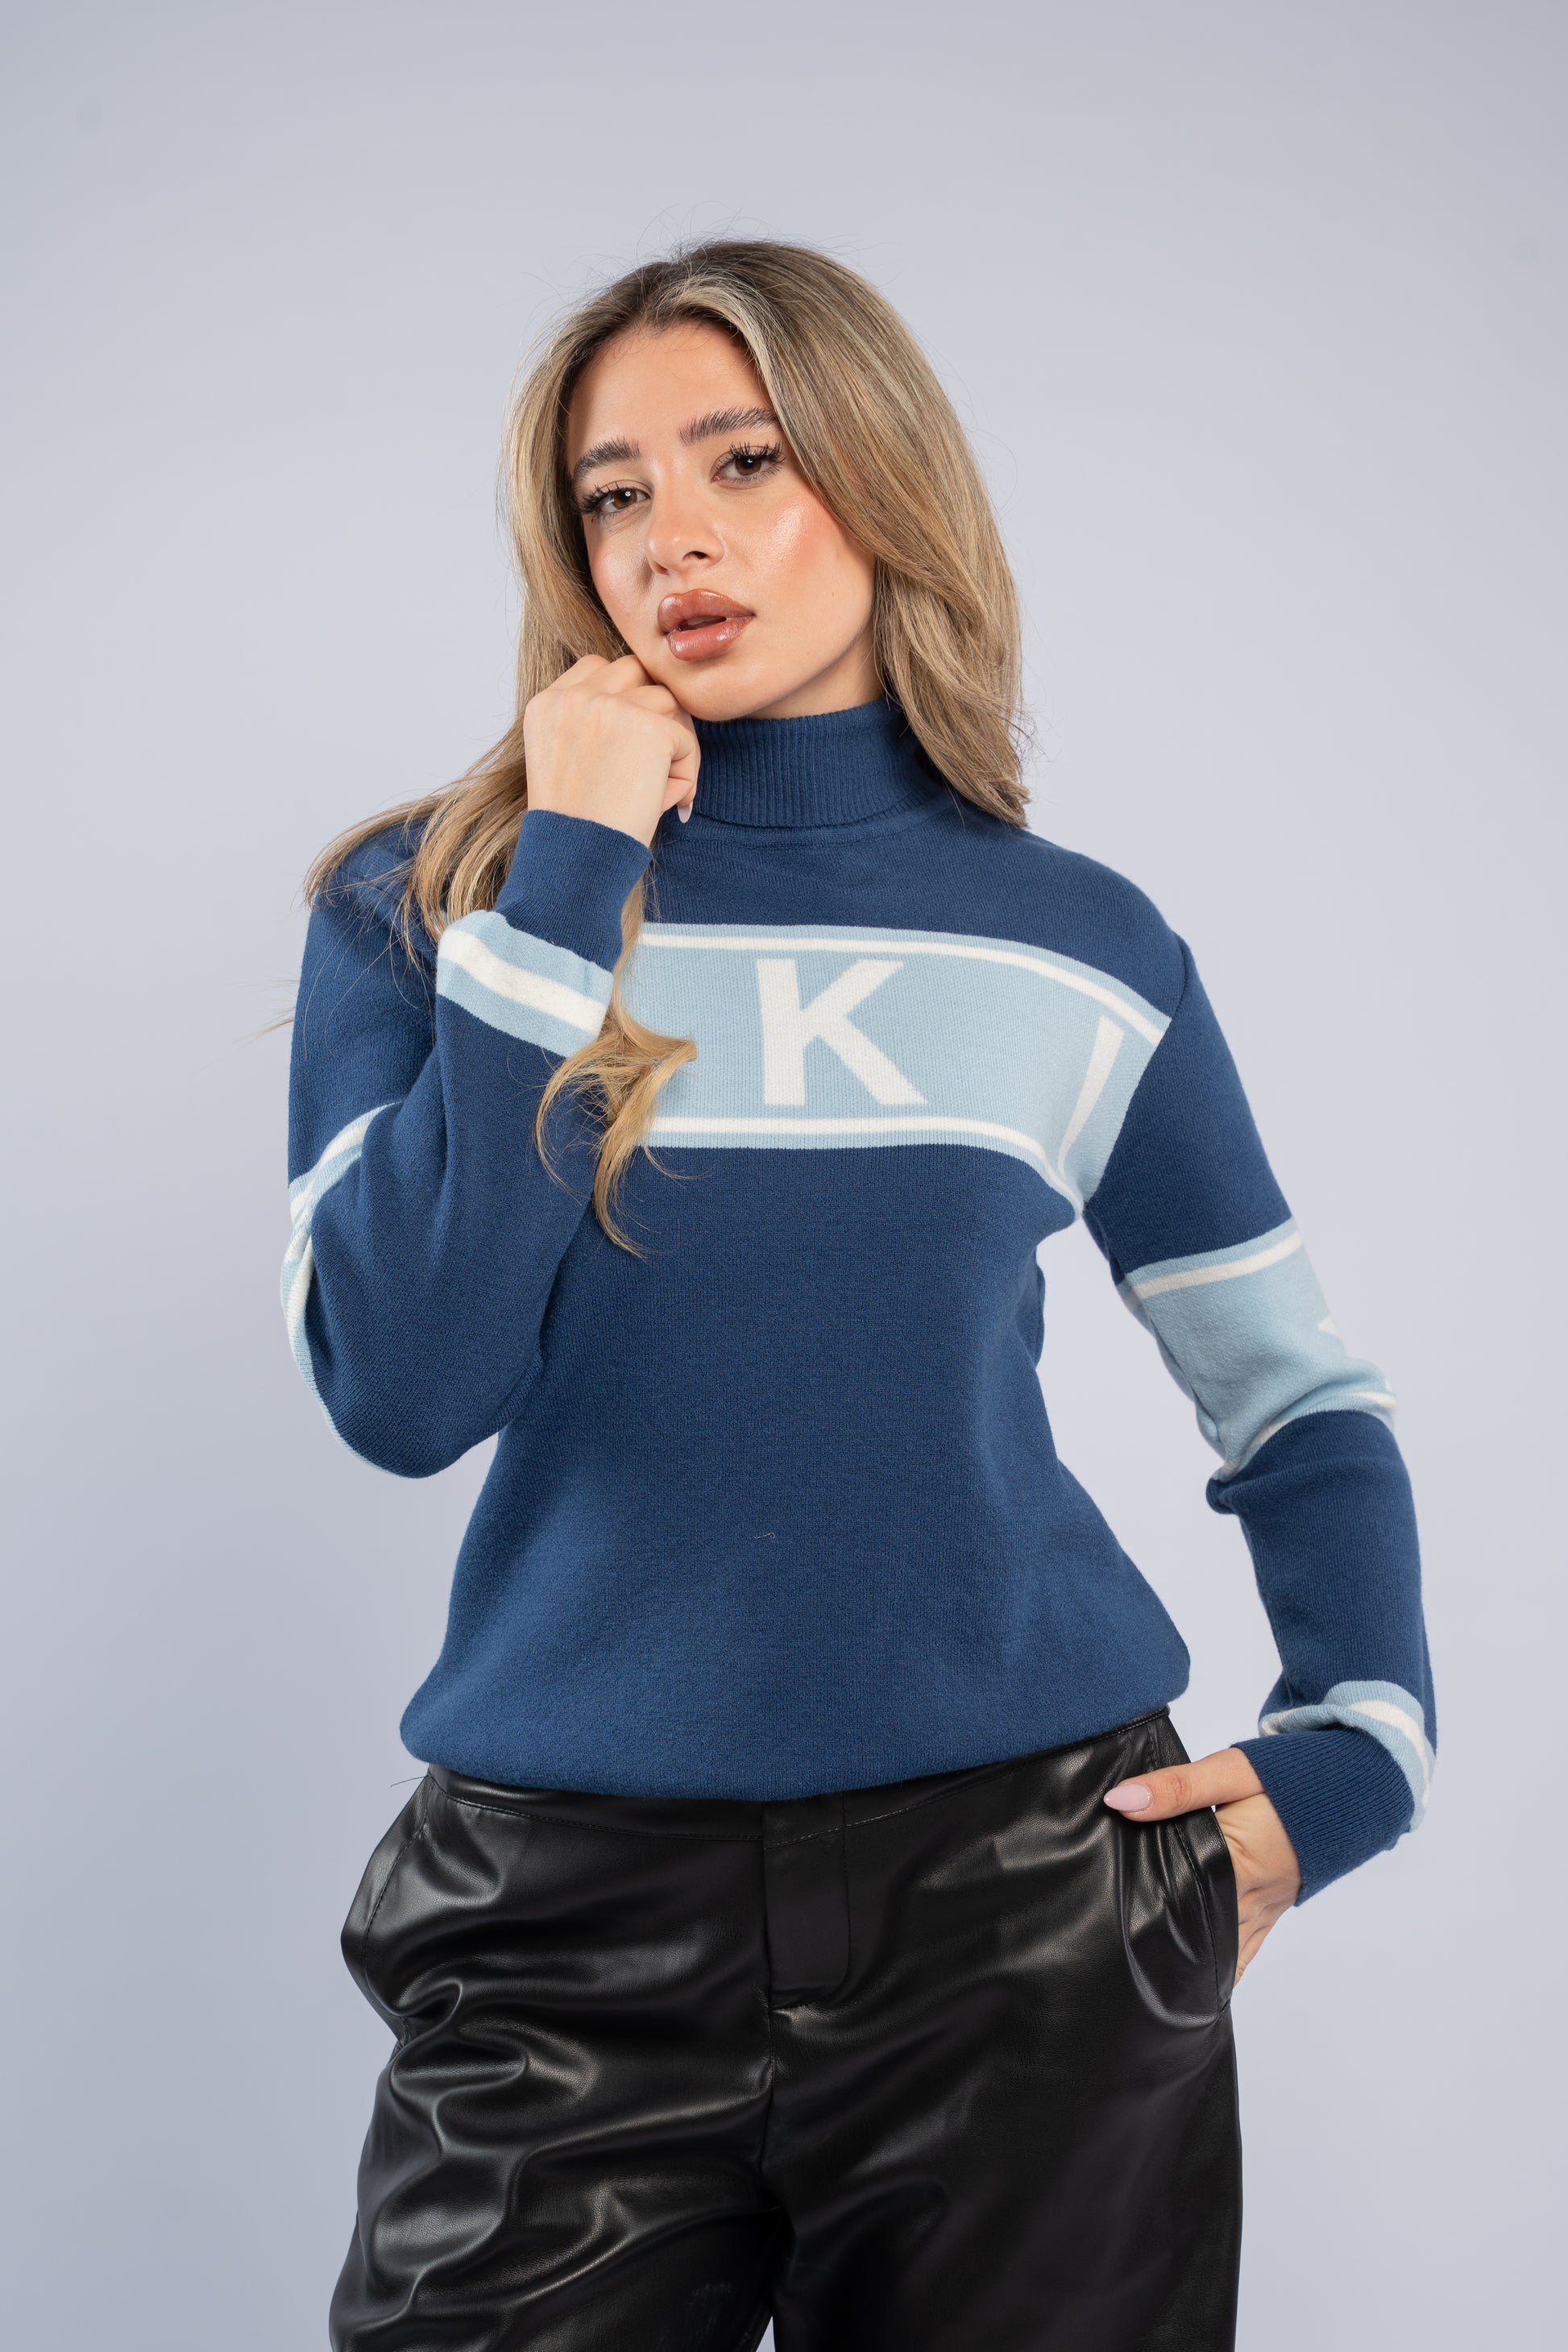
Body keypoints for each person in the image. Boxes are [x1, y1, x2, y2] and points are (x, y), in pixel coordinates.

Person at [284, 239, 1434, 2352]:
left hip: (1031, 1911)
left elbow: (1290, 1393)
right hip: (558, 1935)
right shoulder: (425, 908)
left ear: (882, 476)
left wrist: (1360, 1743)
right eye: (614, 492)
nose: (675, 537)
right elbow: (404, 1382)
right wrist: (569, 875)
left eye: (744, 460)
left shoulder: (1075, 942)